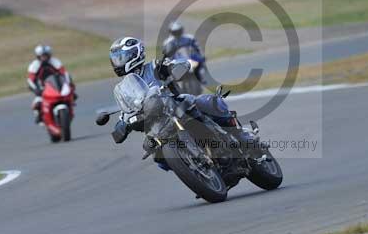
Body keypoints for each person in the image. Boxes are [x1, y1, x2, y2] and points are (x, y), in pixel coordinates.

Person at [108, 36, 262, 171]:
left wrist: (178, 67)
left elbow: (176, 63)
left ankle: (240, 135)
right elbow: (125, 111)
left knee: (208, 103)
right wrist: (121, 125)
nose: (118, 63)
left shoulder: (154, 66)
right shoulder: (124, 88)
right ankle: (196, 171)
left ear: (135, 54)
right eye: (116, 59)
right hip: (155, 124)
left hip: (176, 104)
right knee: (159, 157)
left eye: (121, 57)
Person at [27, 45, 74, 124]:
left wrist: (69, 84)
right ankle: (39, 116)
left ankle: (70, 111)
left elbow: (64, 73)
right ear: (38, 56)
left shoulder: (55, 61)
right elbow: (30, 80)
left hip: (57, 84)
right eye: (42, 56)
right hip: (43, 87)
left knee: (72, 95)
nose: (44, 57)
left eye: (46, 55)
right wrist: (36, 89)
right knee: (37, 102)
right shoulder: (34, 65)